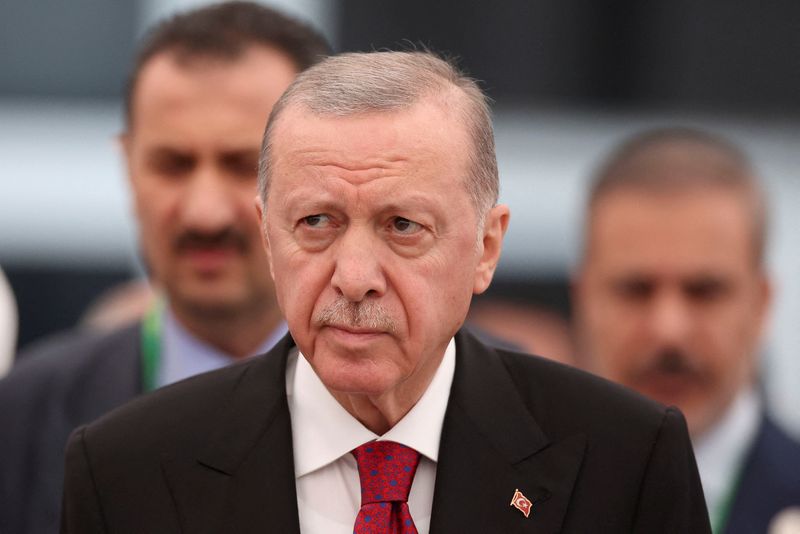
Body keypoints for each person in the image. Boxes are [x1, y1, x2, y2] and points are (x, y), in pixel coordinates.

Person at [61, 51, 710, 534]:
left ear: (485, 247)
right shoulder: (130, 471)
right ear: (267, 237)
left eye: (402, 226)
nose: (354, 276)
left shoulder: (624, 459)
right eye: (317, 223)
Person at [0, 3, 330, 533]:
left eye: (243, 165)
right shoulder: (22, 416)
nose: (204, 211)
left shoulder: (468, 403)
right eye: (172, 164)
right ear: (128, 167)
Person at [572, 127, 800, 534]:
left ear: (762, 305)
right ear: (584, 299)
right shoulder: (502, 497)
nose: (668, 331)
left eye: (705, 291)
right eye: (636, 290)